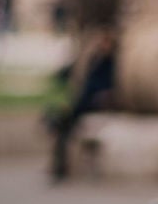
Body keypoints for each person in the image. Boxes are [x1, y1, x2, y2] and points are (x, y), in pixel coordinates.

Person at [46, 29, 117, 182]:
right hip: (82, 104)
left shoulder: (110, 64)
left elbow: (106, 87)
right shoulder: (96, 60)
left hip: (91, 105)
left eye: (105, 43)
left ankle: (60, 166)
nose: (102, 46)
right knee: (60, 122)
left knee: (62, 124)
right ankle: (59, 165)